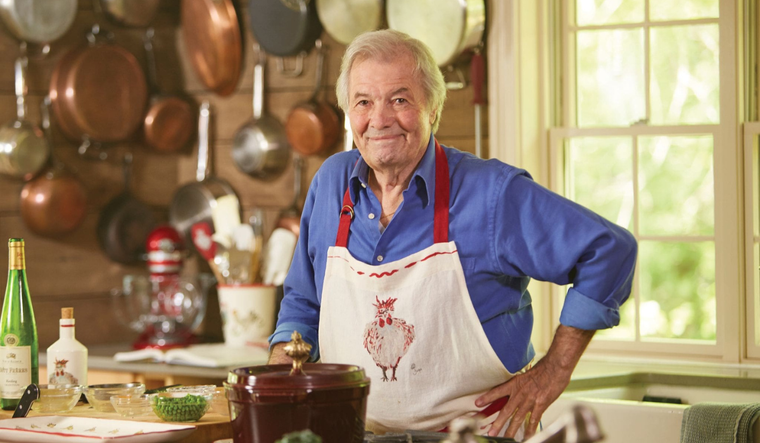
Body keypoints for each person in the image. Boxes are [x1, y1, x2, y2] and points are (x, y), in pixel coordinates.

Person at [268, 29, 637, 440]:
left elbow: (610, 251)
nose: (380, 119)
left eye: (400, 99)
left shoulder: (491, 193)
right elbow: (303, 300)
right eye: (364, 102)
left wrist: (551, 374)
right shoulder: (330, 183)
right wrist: (281, 372)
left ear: (434, 109)